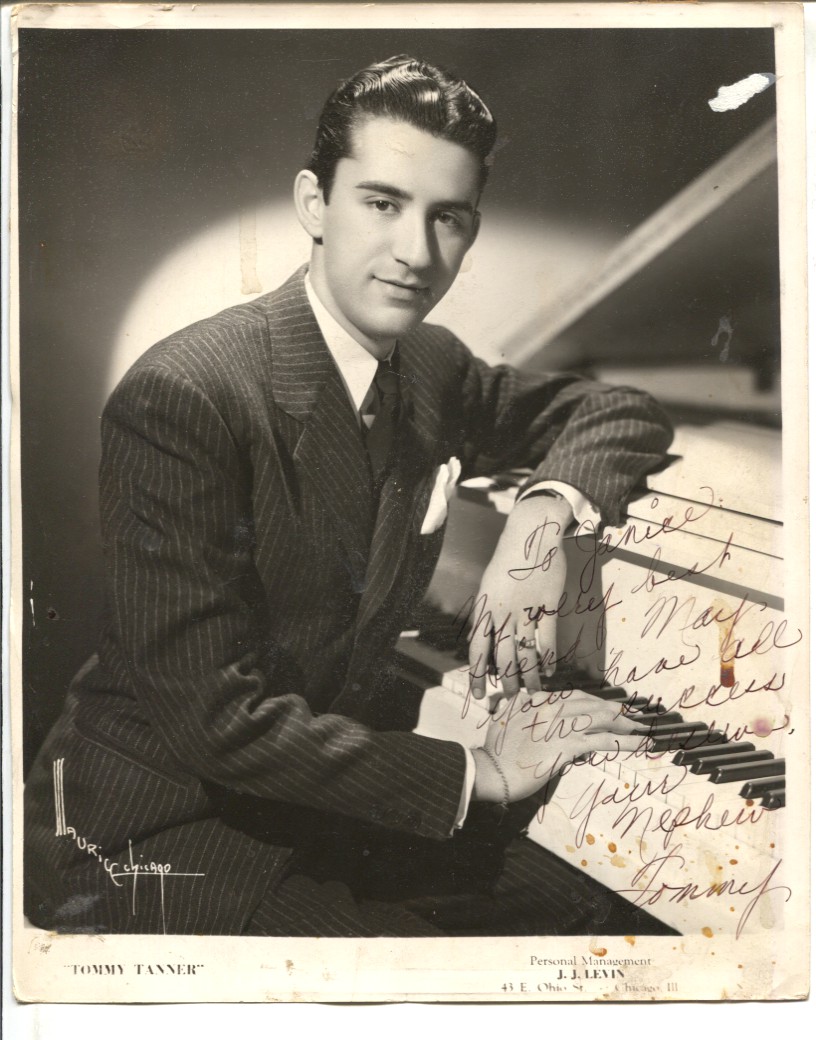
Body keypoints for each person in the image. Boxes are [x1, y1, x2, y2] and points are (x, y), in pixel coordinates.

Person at [24, 55, 674, 937]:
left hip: (315, 806)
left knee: (595, 915)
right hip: (157, 831)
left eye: (447, 217)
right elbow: (218, 722)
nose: (416, 252)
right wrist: (481, 772)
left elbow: (614, 410)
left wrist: (540, 524)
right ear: (313, 203)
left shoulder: (431, 366)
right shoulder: (185, 393)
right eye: (382, 203)